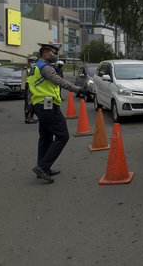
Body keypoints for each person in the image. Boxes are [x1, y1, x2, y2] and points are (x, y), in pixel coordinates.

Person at [28, 43, 94, 183]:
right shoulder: (45, 68)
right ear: (45, 53)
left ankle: (44, 168)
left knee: (45, 137)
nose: (56, 55)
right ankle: (42, 167)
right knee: (63, 136)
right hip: (48, 106)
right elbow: (61, 82)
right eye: (54, 52)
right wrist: (80, 90)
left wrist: (31, 108)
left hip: (40, 105)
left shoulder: (34, 67)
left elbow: (31, 89)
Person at [23, 56, 38, 124]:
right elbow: (23, 80)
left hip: (34, 87)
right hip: (28, 87)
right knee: (29, 103)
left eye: (34, 62)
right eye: (32, 62)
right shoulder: (26, 69)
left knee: (33, 103)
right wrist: (23, 89)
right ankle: (28, 118)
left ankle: (31, 117)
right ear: (29, 62)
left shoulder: (36, 69)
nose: (33, 63)